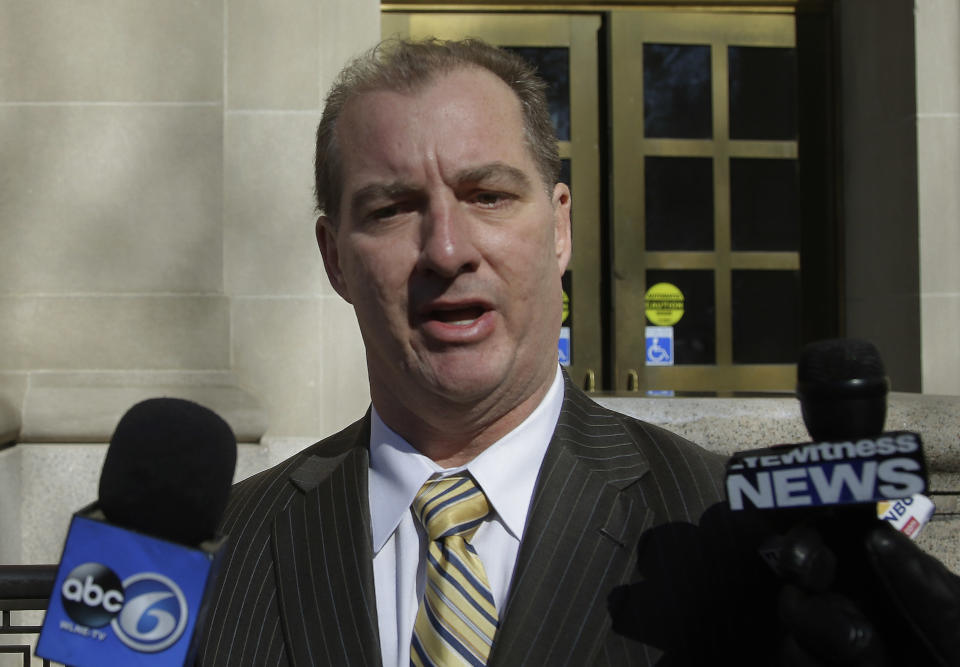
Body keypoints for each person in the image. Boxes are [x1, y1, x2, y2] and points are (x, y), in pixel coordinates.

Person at [197, 38, 959, 666]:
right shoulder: (211, 556)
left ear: (559, 229)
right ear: (335, 258)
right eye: (393, 208)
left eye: (488, 195)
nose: (448, 248)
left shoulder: (730, 537)